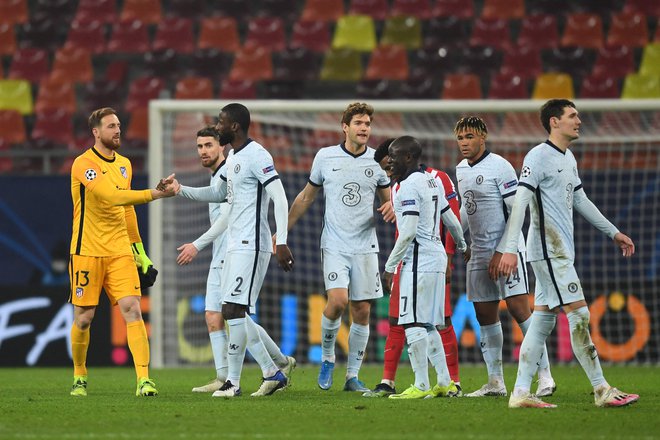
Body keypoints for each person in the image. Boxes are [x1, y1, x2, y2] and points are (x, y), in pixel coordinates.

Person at [497, 99, 639, 408]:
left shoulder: (568, 157)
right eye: (572, 116)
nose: (579, 121)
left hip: (559, 251)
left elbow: (581, 199)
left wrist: (613, 231)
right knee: (580, 315)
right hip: (549, 252)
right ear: (554, 122)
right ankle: (601, 388)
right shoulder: (537, 156)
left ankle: (521, 393)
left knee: (542, 323)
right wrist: (510, 249)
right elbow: (520, 201)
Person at [163, 103, 295, 398]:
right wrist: (180, 189)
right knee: (232, 311)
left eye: (220, 122)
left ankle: (240, 381)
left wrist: (282, 240)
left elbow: (280, 196)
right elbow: (219, 194)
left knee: (234, 310)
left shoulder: (257, 154)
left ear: (234, 126)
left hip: (253, 245)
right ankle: (260, 374)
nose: (217, 125)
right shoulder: (234, 156)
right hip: (237, 246)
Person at [286, 102, 393, 392]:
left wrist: (391, 209)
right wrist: (281, 232)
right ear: (345, 127)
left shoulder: (378, 161)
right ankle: (328, 358)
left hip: (366, 246)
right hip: (334, 243)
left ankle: (352, 377)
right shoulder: (325, 156)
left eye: (368, 124)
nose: (364, 128)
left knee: (362, 311)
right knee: (337, 302)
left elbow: (389, 201)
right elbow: (306, 197)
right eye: (358, 123)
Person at [68, 107, 176, 397]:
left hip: (119, 251)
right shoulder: (83, 164)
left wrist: (140, 251)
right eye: (111, 126)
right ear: (96, 132)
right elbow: (112, 196)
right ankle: (80, 375)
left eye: (119, 125)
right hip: (87, 251)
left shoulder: (125, 164)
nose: (118, 131)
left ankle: (144, 380)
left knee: (132, 310)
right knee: (84, 318)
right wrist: (155, 194)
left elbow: (126, 211)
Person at [454, 116, 556, 398]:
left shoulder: (500, 166)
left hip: (507, 250)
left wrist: (505, 249)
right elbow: (468, 208)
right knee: (484, 314)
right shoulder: (461, 169)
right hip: (478, 253)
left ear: (483, 137)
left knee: (519, 309)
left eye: (470, 137)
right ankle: (495, 382)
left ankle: (545, 376)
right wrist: (459, 238)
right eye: (460, 138)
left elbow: (516, 211)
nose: (464, 143)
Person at [364, 138, 462, 398]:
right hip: (436, 258)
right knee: (429, 324)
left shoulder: (406, 186)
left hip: (417, 261)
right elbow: (450, 218)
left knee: (412, 323)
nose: (390, 163)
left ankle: (420, 384)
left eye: (393, 158)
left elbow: (406, 233)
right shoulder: (432, 180)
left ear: (408, 158)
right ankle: (444, 382)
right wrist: (462, 244)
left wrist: (389, 267)